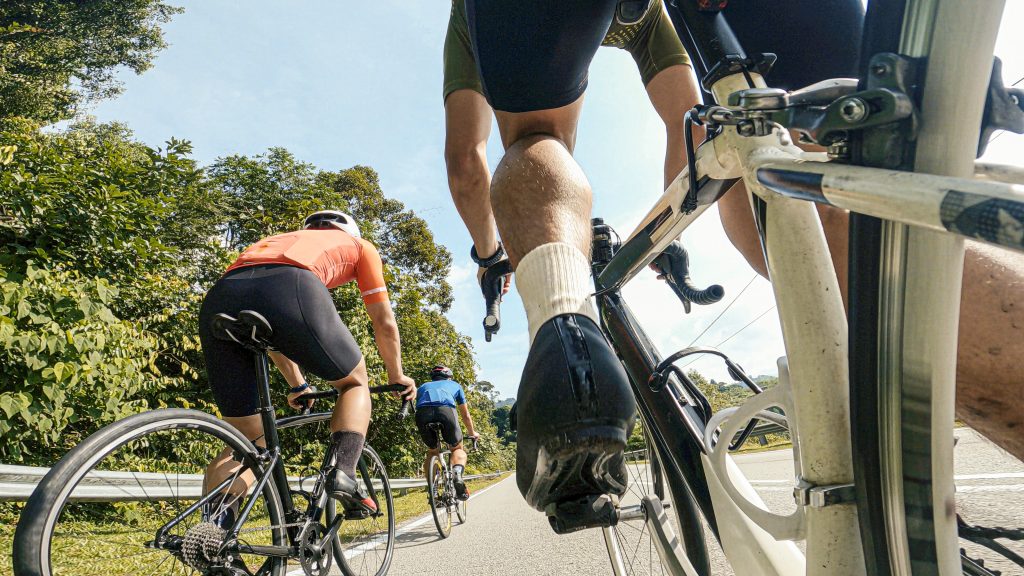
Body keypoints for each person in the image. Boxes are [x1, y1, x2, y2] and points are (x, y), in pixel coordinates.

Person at [443, 0, 700, 281]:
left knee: (534, 144)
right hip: (628, 13)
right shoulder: (647, 16)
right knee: (543, 144)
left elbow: (465, 161)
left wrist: (489, 256)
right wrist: (669, 230)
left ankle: (561, 305)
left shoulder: (466, 17)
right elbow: (692, 125)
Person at [197, 210, 416, 528]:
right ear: (349, 232)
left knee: (247, 441)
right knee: (354, 384)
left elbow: (268, 337)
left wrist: (298, 384)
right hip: (292, 284)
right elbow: (383, 321)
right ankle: (344, 473)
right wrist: (396, 375)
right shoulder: (360, 246)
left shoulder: (277, 241)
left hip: (221, 294)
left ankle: (213, 532)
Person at [415, 365, 479, 500]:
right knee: (457, 448)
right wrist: (472, 433)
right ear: (448, 377)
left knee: (432, 452)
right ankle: (457, 472)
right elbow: (465, 414)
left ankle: (432, 488)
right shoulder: (455, 385)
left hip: (422, 414)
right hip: (446, 411)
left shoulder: (422, 387)